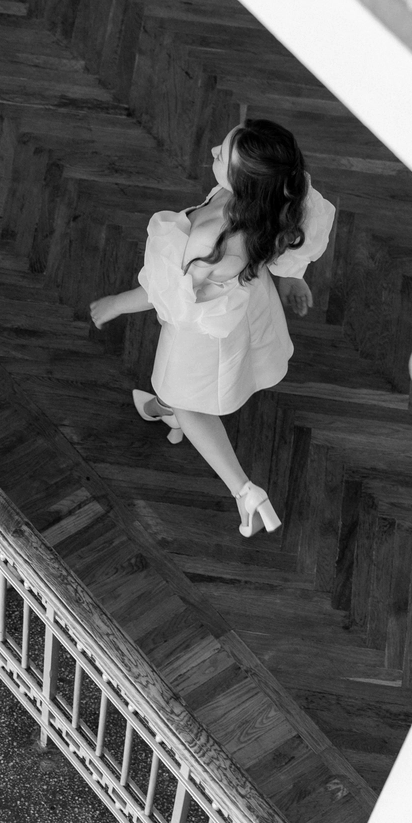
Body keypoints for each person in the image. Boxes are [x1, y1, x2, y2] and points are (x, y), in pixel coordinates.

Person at [89, 120, 336, 536]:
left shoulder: (209, 238)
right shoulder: (279, 194)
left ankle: (244, 490)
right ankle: (167, 411)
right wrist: (292, 277)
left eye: (221, 155)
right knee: (184, 391)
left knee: (187, 398)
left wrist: (115, 304)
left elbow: (166, 294)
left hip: (204, 327)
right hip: (241, 306)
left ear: (244, 183)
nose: (211, 153)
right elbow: (296, 232)